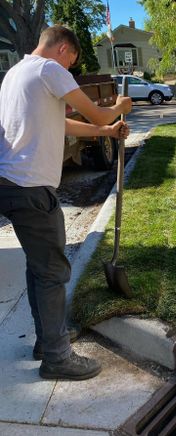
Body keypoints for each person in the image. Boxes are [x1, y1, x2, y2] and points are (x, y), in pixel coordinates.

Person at [0, 25, 132, 381]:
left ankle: (48, 341)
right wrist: (118, 108)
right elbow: (98, 113)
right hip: (31, 187)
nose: (71, 70)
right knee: (53, 271)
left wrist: (105, 133)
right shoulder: (49, 70)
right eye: (72, 62)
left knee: (38, 267)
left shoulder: (14, 74)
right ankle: (57, 357)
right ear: (62, 49)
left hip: (10, 185)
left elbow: (64, 124)